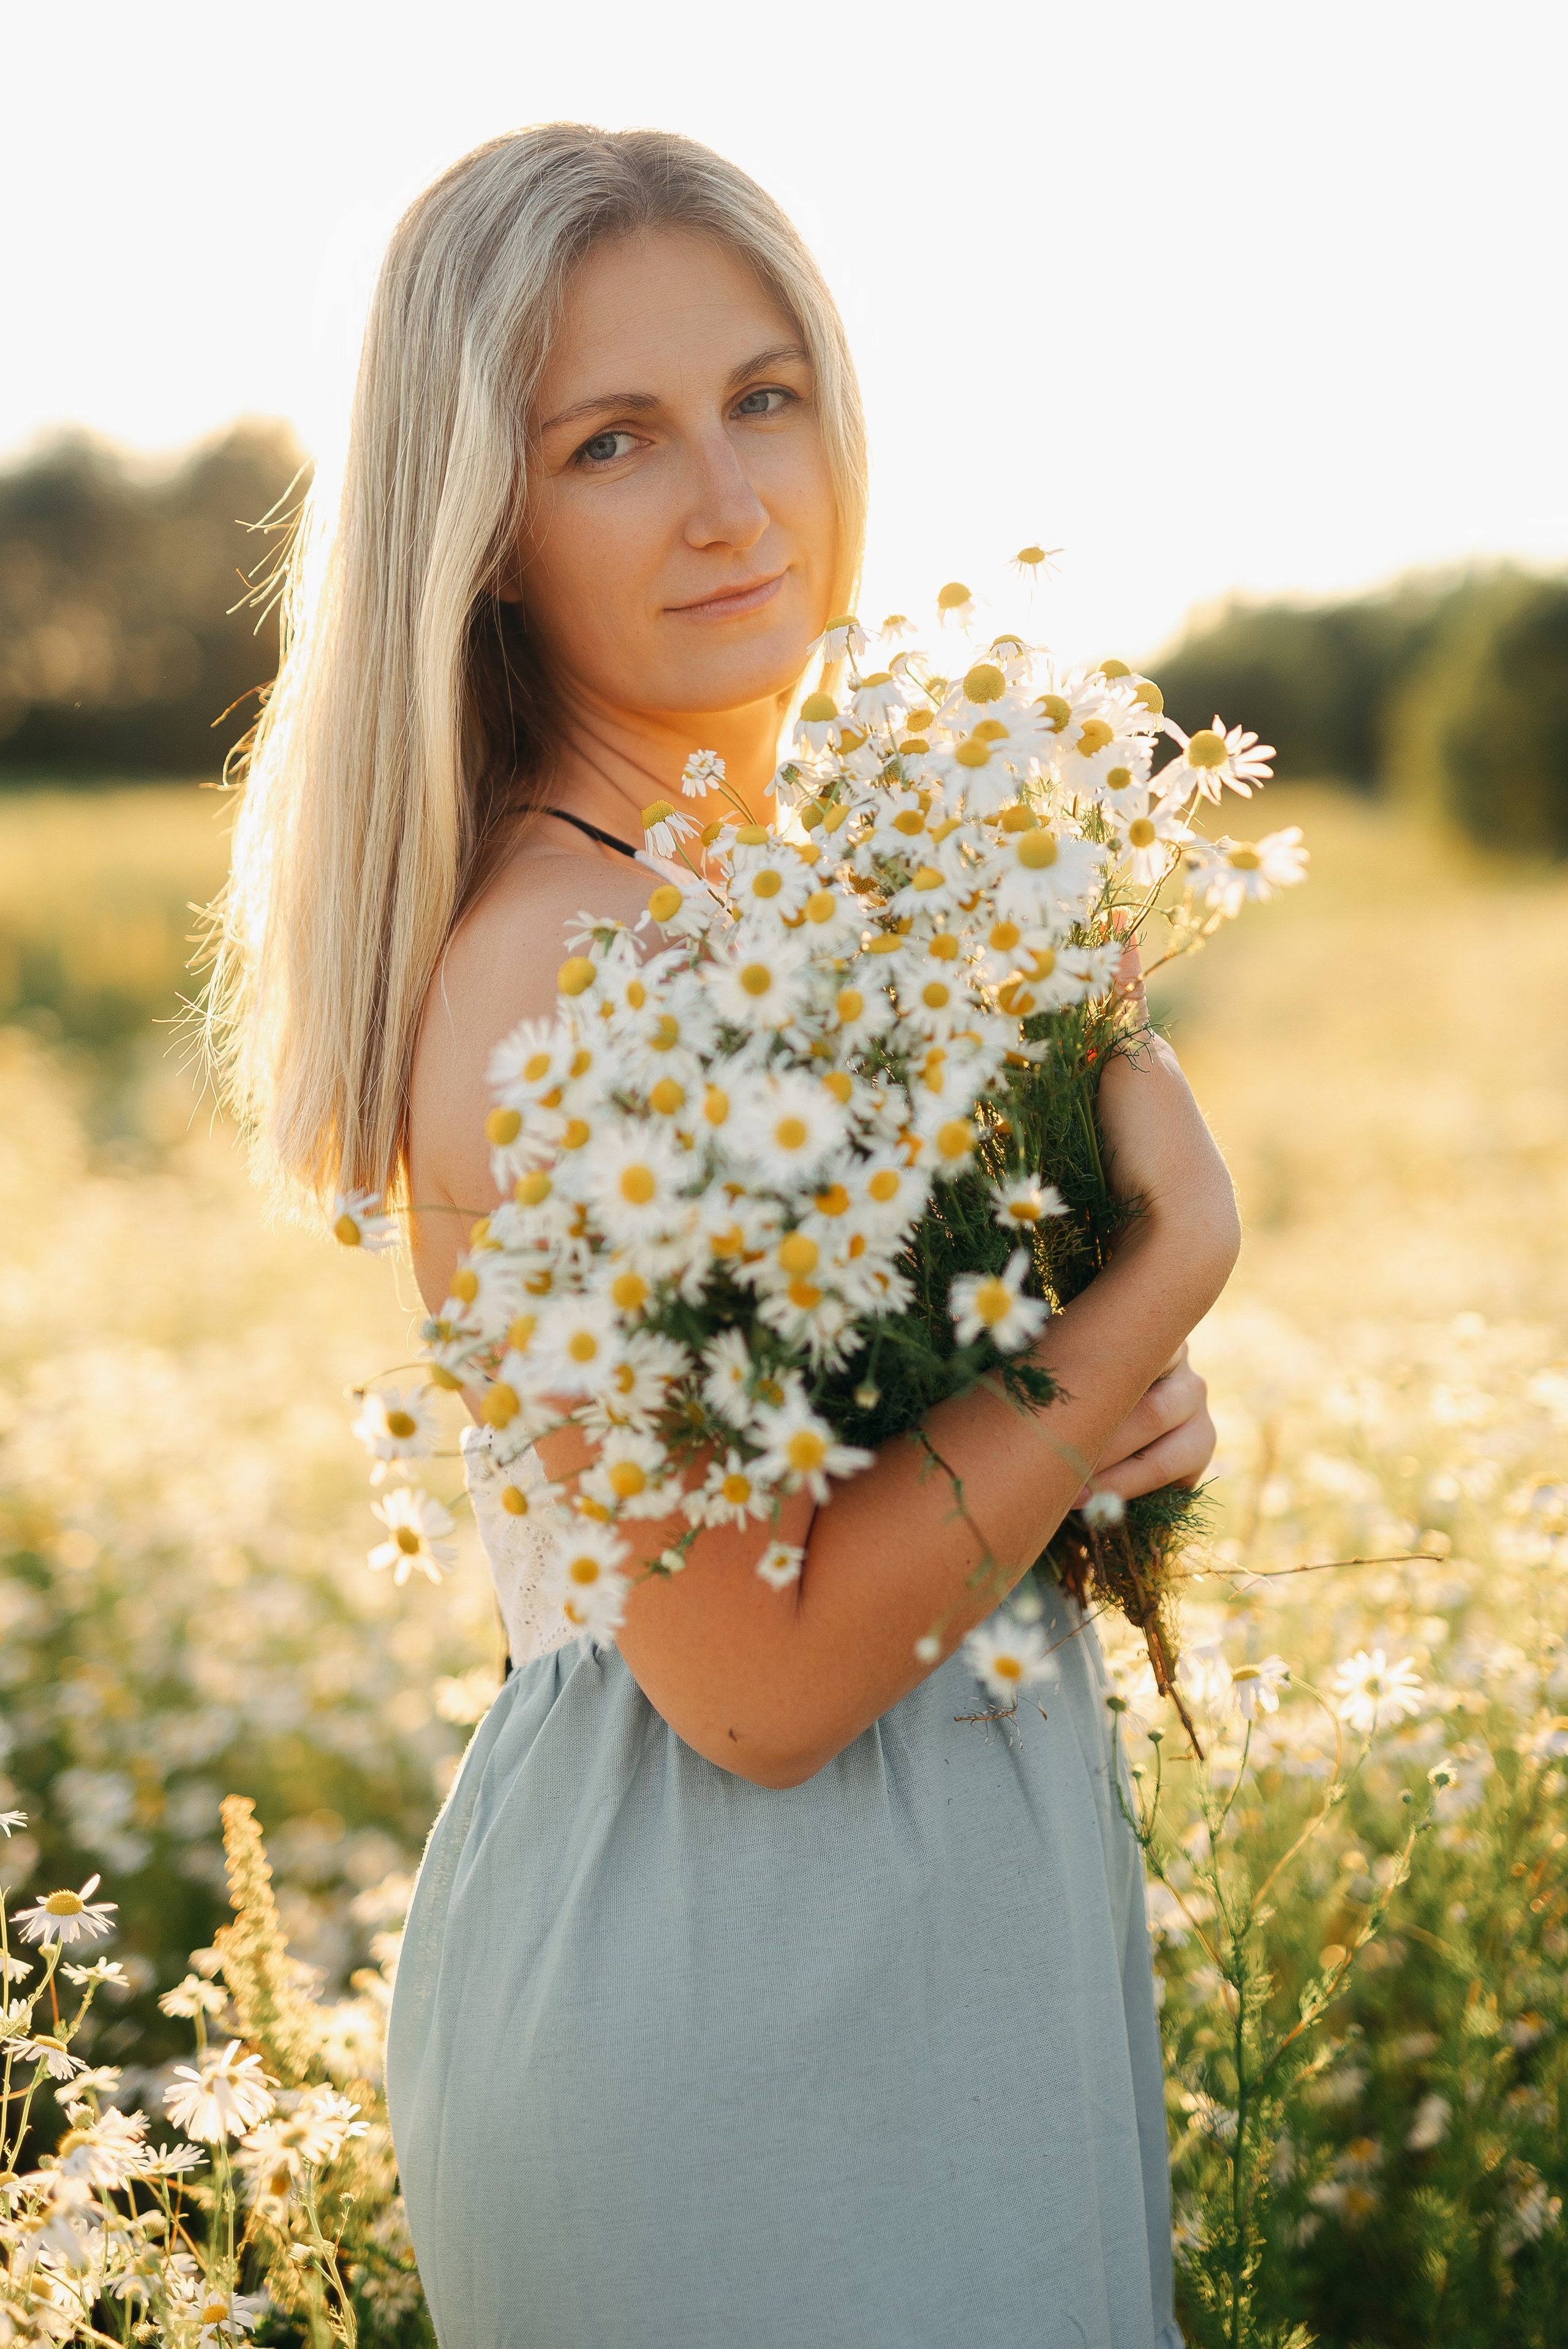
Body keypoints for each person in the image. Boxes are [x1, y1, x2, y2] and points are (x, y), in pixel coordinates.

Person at [214, 124, 1236, 2349]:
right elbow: (756, 1685)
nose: (729, 498)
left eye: (765, 396)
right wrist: (1167, 1262)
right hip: (739, 1990)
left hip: (919, 1939)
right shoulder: (569, 971)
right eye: (614, 440)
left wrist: (1077, 1418)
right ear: (483, 530)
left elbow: (876, 1476)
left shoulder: (768, 912)